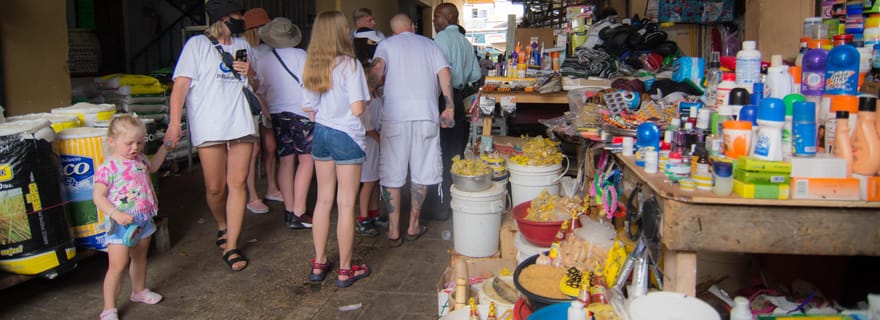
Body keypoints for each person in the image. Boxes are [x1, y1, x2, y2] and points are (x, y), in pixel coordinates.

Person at [166, 0, 255, 272]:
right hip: (210, 124)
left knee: (238, 184)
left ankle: (232, 245)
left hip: (241, 120)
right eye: (238, 14)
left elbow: (256, 85)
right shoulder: (197, 45)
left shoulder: (245, 45)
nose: (242, 18)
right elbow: (180, 86)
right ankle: (222, 224)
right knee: (215, 188)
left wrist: (251, 73)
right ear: (224, 17)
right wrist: (173, 123)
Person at [368, 13, 455, 247]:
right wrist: (449, 107)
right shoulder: (430, 44)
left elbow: (376, 72)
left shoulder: (385, 45)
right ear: (413, 27)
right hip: (425, 116)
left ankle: (394, 229)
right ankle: (413, 224)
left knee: (392, 173)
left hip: (395, 118)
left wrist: (370, 91)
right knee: (423, 171)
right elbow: (445, 74)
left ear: (393, 29)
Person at [303, 10, 372, 288]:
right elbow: (357, 108)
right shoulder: (350, 65)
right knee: (345, 204)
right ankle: (345, 270)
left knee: (322, 200)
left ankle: (319, 263)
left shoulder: (312, 64)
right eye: (346, 27)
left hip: (321, 133)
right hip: (346, 136)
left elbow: (309, 109)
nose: (349, 31)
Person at [94, 115, 169, 320]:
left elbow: (152, 167)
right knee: (117, 266)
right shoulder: (108, 167)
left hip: (143, 219)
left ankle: (139, 291)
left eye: (139, 142)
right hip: (120, 224)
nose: (135, 147)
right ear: (112, 141)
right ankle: (109, 308)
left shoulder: (140, 159)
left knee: (140, 257)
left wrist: (166, 147)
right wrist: (116, 214)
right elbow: (98, 197)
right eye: (129, 143)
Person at [254, 17, 314, 230]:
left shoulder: (263, 61)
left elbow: (258, 91)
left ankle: (289, 212)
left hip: (278, 115)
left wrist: (268, 114)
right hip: (301, 114)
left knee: (286, 161)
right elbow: (310, 85)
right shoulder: (301, 56)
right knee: (307, 161)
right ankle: (299, 211)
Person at [429, 3, 482, 221]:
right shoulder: (465, 42)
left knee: (439, 151)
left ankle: (439, 206)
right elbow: (475, 75)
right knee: (454, 152)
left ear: (450, 17)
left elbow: (438, 73)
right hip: (458, 101)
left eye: (437, 16)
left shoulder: (441, 39)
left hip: (444, 100)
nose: (434, 20)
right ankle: (455, 200)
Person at [242, 7, 282, 214]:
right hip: (250, 103)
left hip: (267, 102)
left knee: (270, 146)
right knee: (253, 150)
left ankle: (272, 187)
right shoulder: (244, 48)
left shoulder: (267, 49)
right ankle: (252, 194)